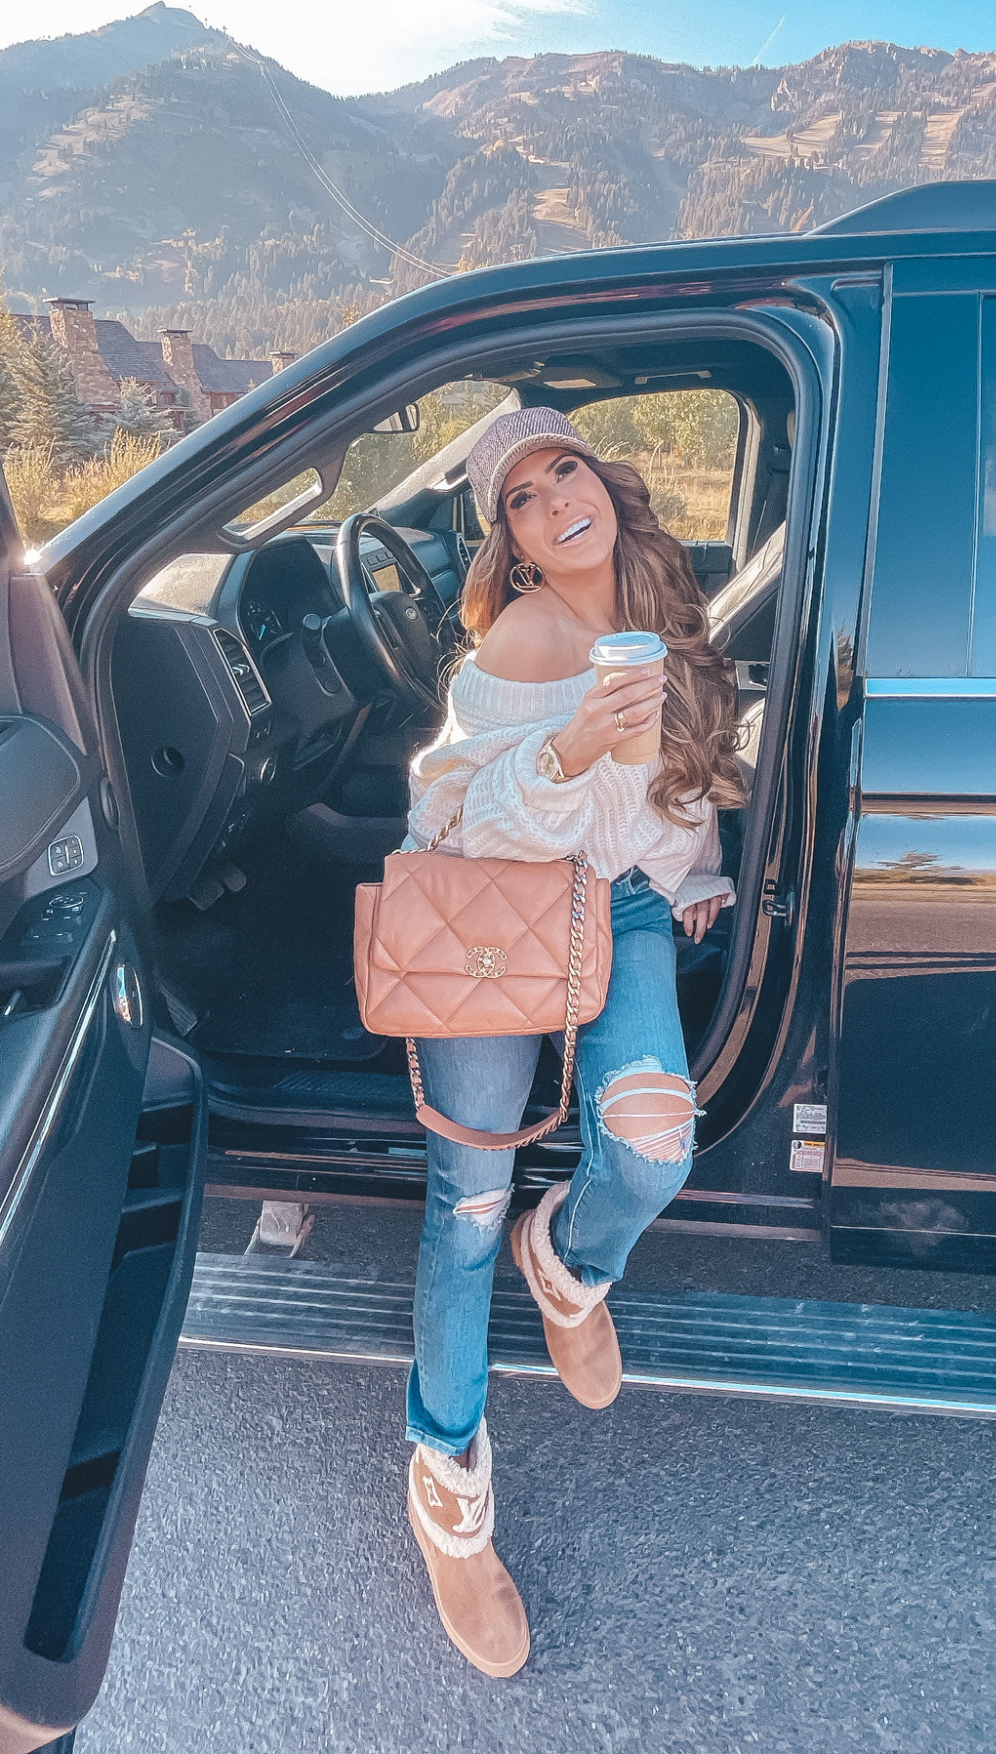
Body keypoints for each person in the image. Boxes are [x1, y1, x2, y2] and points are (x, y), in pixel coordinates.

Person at [400, 407, 745, 1676]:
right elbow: (446, 822)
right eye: (523, 502)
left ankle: (573, 1260)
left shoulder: (662, 594)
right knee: (470, 1203)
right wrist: (564, 745)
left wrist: (694, 856)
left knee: (654, 1151)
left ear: (602, 481)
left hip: (630, 905)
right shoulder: (519, 642)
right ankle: (447, 1479)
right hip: (500, 916)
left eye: (565, 470)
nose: (555, 502)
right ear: (515, 545)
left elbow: (690, 771)